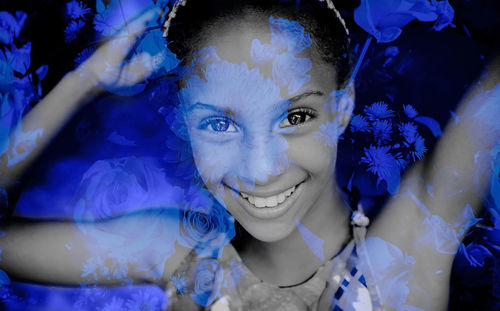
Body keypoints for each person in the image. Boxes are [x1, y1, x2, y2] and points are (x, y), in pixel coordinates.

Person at [0, 0, 499, 310]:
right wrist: (83, 82)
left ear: (344, 106)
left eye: (295, 117)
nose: (260, 168)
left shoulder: (406, 255)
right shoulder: (177, 253)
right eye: (219, 124)